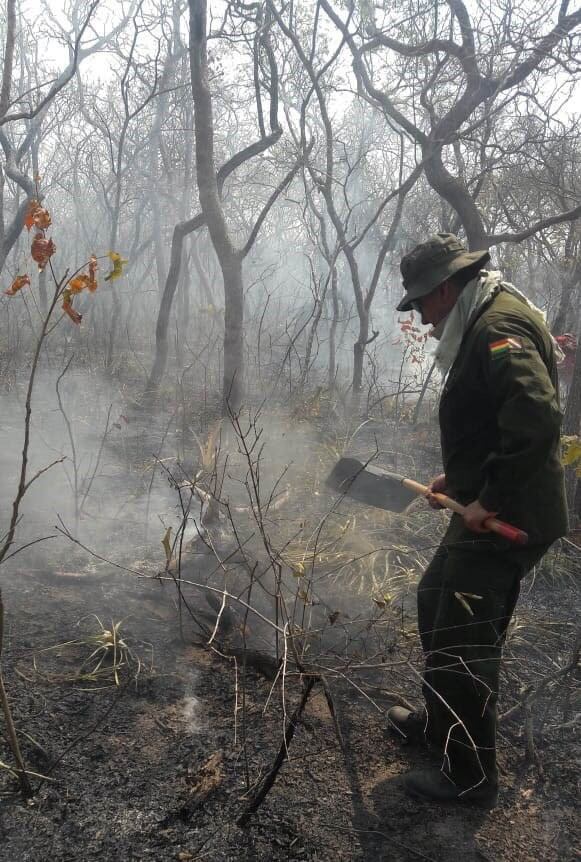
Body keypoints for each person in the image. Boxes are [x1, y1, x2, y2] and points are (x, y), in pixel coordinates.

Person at [388, 233, 568, 808]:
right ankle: (441, 725)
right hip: (490, 505)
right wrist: (462, 485)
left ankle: (467, 776)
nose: (419, 317)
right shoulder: (485, 312)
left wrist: (488, 499)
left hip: (507, 519)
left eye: (419, 303)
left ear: (444, 289)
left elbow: (537, 418)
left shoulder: (496, 329)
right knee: (435, 595)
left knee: (462, 637)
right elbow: (496, 422)